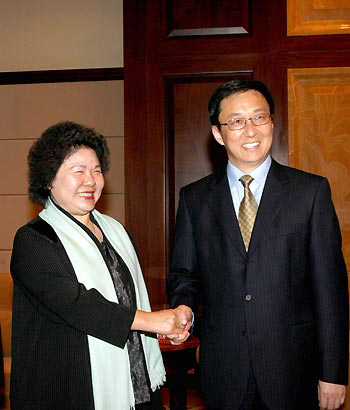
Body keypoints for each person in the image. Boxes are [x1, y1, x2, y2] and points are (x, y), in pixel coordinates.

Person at [166, 80, 349, 410]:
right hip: (223, 371)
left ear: (272, 123)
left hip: (294, 371)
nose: (250, 130)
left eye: (259, 118)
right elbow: (184, 275)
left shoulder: (310, 193)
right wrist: (184, 306)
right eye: (236, 121)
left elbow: (331, 291)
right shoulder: (194, 199)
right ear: (219, 134)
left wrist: (333, 373)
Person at [10, 121, 189, 410]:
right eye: (77, 171)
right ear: (48, 180)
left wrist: (165, 326)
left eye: (96, 170)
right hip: (70, 388)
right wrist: (151, 320)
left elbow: (126, 298)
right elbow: (77, 304)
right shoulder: (33, 240)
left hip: (134, 382)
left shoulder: (115, 231)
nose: (91, 181)